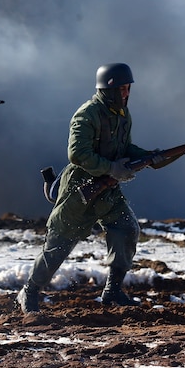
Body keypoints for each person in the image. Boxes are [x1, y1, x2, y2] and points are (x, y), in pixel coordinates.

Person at [17, 63, 165, 313]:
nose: (127, 94)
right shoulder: (87, 114)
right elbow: (77, 154)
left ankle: (113, 291)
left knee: (126, 229)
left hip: (107, 191)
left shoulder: (122, 115)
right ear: (110, 89)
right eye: (123, 89)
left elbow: (125, 148)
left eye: (128, 88)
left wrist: (151, 156)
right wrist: (110, 168)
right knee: (58, 246)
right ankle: (29, 292)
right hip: (80, 190)